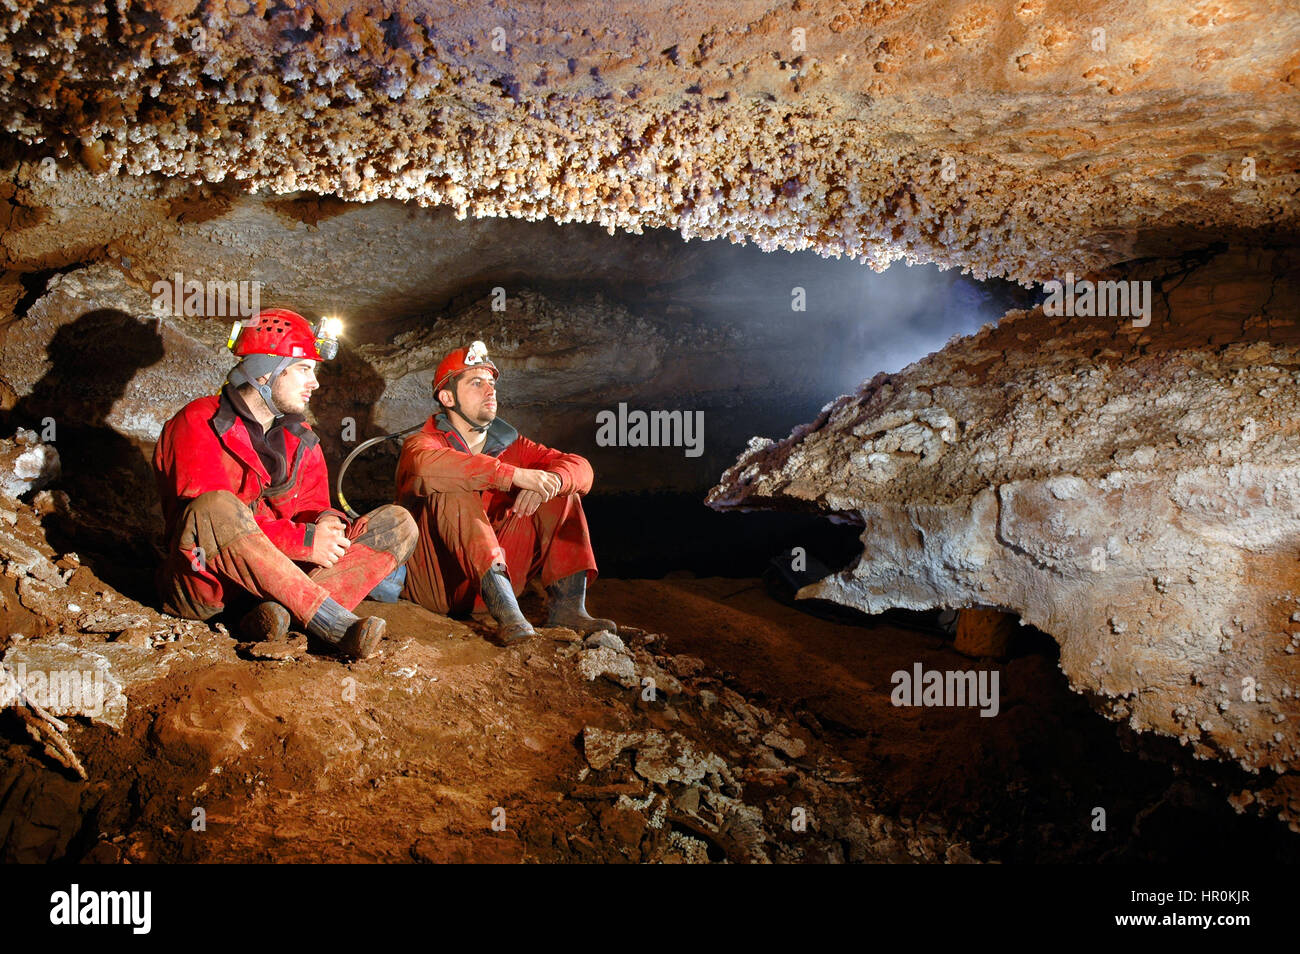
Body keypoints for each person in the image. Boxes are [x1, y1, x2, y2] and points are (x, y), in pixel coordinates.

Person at [152, 308, 416, 660]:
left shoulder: (301, 438)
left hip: (281, 583)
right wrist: (306, 541)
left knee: (398, 523)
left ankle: (276, 616)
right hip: (209, 586)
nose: (315, 383)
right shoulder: (199, 421)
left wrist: (326, 520)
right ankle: (332, 623)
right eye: (304, 369)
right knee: (214, 506)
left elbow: (311, 505)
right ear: (266, 372)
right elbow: (210, 522)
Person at [396, 340, 616, 644]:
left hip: (496, 587)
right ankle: (510, 617)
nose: (490, 391)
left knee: (560, 488)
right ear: (447, 397)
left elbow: (583, 469)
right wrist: (513, 475)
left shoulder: (514, 445)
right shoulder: (422, 444)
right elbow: (423, 467)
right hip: (438, 586)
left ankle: (568, 609)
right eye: (476, 383)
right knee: (452, 483)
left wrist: (552, 481)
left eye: (492, 383)